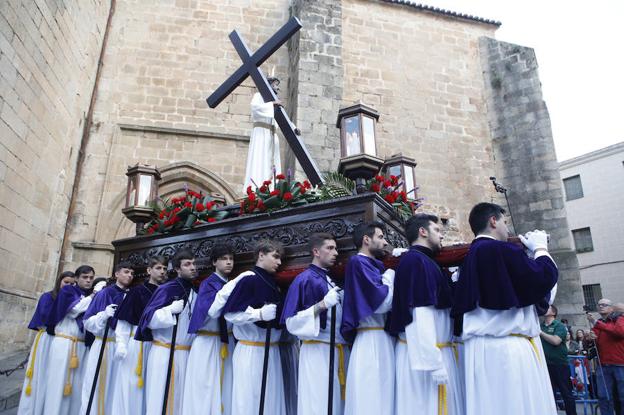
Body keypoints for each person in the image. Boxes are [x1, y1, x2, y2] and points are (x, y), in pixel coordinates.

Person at [451, 202, 559, 415]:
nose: (507, 227)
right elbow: (543, 279)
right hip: (507, 350)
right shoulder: (502, 250)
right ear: (493, 221)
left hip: (478, 350)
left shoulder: (468, 257)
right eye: (504, 221)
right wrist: (540, 249)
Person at [388, 214, 464, 415]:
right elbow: (420, 312)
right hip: (425, 356)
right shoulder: (416, 261)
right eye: (437, 230)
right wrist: (433, 362)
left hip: (434, 351)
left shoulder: (424, 261)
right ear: (423, 232)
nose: (441, 236)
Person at [281, 233, 347, 415]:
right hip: (316, 351)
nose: (336, 252)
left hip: (338, 349)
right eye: (330, 248)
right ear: (316, 251)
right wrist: (321, 305)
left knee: (336, 404)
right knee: (317, 403)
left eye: (336, 248)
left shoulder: (330, 279)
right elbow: (291, 323)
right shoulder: (304, 279)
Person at [221, 239, 286, 415]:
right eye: (275, 257)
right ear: (261, 255)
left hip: (271, 351)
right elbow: (230, 314)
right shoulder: (249, 279)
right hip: (251, 351)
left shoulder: (273, 283)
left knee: (271, 401)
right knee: (250, 400)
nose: (279, 262)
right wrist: (258, 315)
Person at [341, 222, 395, 415]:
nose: (385, 242)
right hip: (370, 339)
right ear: (366, 239)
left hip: (382, 338)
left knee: (385, 393)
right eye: (380, 237)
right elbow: (381, 304)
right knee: (371, 394)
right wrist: (390, 277)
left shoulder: (373, 264)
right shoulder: (358, 262)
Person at [136, 249, 197, 415]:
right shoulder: (168, 288)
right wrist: (169, 310)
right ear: (177, 269)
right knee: (160, 398)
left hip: (184, 354)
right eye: (187, 264)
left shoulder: (194, 291)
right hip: (165, 352)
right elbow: (148, 319)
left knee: (180, 400)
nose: (192, 267)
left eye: (193, 263)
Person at [182, 245, 237, 415]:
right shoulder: (208, 284)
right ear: (214, 262)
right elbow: (211, 311)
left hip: (226, 342)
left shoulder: (230, 283)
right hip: (207, 342)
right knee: (204, 389)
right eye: (224, 259)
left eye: (231, 259)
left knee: (226, 387)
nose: (229, 262)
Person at [110, 256, 167, 414]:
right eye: (158, 268)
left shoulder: (167, 292)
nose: (162, 271)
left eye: (164, 269)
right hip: (137, 344)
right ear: (149, 270)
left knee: (152, 391)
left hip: (158, 346)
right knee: (132, 387)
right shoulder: (136, 292)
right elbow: (124, 322)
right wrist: (121, 344)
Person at [17, 271, 75, 415]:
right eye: (66, 282)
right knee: (41, 373)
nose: (69, 286)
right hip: (46, 339)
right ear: (59, 282)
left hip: (61, 341)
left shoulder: (74, 299)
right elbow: (46, 315)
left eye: (72, 284)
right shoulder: (48, 296)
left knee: (53, 376)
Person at [80, 262, 134, 415]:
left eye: (131, 273)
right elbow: (88, 322)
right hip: (104, 345)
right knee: (96, 386)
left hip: (122, 348)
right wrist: (103, 315)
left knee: (117, 388)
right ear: (116, 274)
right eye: (126, 271)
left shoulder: (132, 296)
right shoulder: (105, 293)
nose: (129, 275)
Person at [43, 265, 95, 415]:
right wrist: (93, 296)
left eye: (91, 278)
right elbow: (74, 310)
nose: (88, 280)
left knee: (77, 386)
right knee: (58, 384)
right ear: (77, 279)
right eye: (85, 277)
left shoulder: (88, 296)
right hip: (64, 343)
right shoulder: (68, 291)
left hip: (80, 346)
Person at [243, 77, 283, 192]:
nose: (278, 88)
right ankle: (256, 187)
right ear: (269, 85)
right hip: (261, 133)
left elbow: (284, 119)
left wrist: (294, 128)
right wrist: (271, 105)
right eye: (275, 85)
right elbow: (255, 108)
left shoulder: (276, 101)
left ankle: (271, 188)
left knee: (271, 163)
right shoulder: (258, 96)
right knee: (260, 159)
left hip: (272, 136)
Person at [587, 298, 624, 415]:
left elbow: (619, 332)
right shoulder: (599, 323)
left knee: (622, 396)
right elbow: (592, 342)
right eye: (599, 305)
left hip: (620, 364)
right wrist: (589, 337)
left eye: (604, 305)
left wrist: (597, 324)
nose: (601, 306)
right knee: (603, 396)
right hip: (603, 365)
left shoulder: (619, 319)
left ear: (611, 308)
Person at [541, 305, 577, 415]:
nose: (543, 308)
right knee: (549, 393)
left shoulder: (559, 325)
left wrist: (540, 333)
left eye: (546, 307)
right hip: (545, 364)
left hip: (559, 364)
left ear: (553, 312)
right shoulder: (540, 325)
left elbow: (556, 341)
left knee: (566, 393)